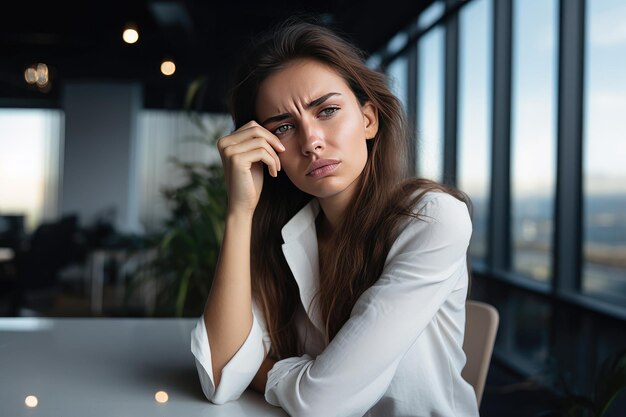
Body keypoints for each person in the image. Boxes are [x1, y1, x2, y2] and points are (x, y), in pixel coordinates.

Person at [190, 17, 479, 417]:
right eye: (285, 127)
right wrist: (240, 212)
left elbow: (322, 403)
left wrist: (262, 371)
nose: (311, 143)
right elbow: (221, 379)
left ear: (368, 119)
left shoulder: (432, 220)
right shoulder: (283, 232)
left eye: (326, 110)